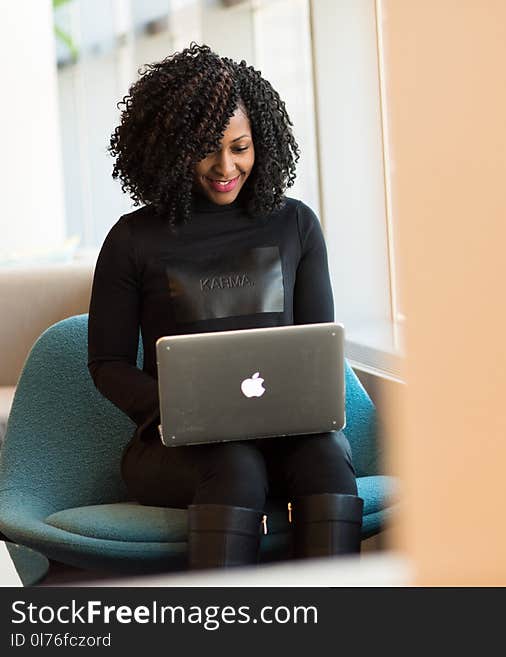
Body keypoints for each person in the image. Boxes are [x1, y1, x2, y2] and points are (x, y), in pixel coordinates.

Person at [87, 43, 363, 570]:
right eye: (206, 149)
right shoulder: (131, 240)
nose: (224, 167)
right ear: (170, 149)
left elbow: (316, 348)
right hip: (178, 447)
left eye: (240, 147)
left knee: (327, 459)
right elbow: (108, 365)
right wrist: (184, 411)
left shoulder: (296, 225)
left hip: (288, 435)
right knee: (237, 465)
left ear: (263, 141)